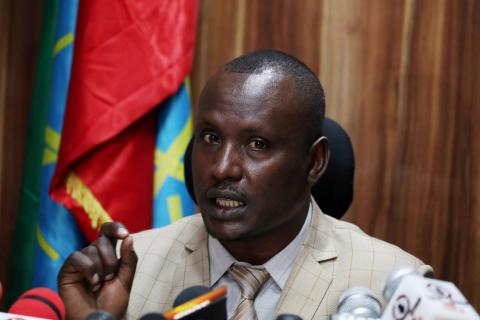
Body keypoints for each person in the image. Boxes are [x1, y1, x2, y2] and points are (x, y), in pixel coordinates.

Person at [58, 50, 432, 320]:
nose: (222, 168)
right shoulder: (132, 269)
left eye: (258, 145)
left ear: (314, 163)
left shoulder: (398, 286)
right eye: (210, 138)